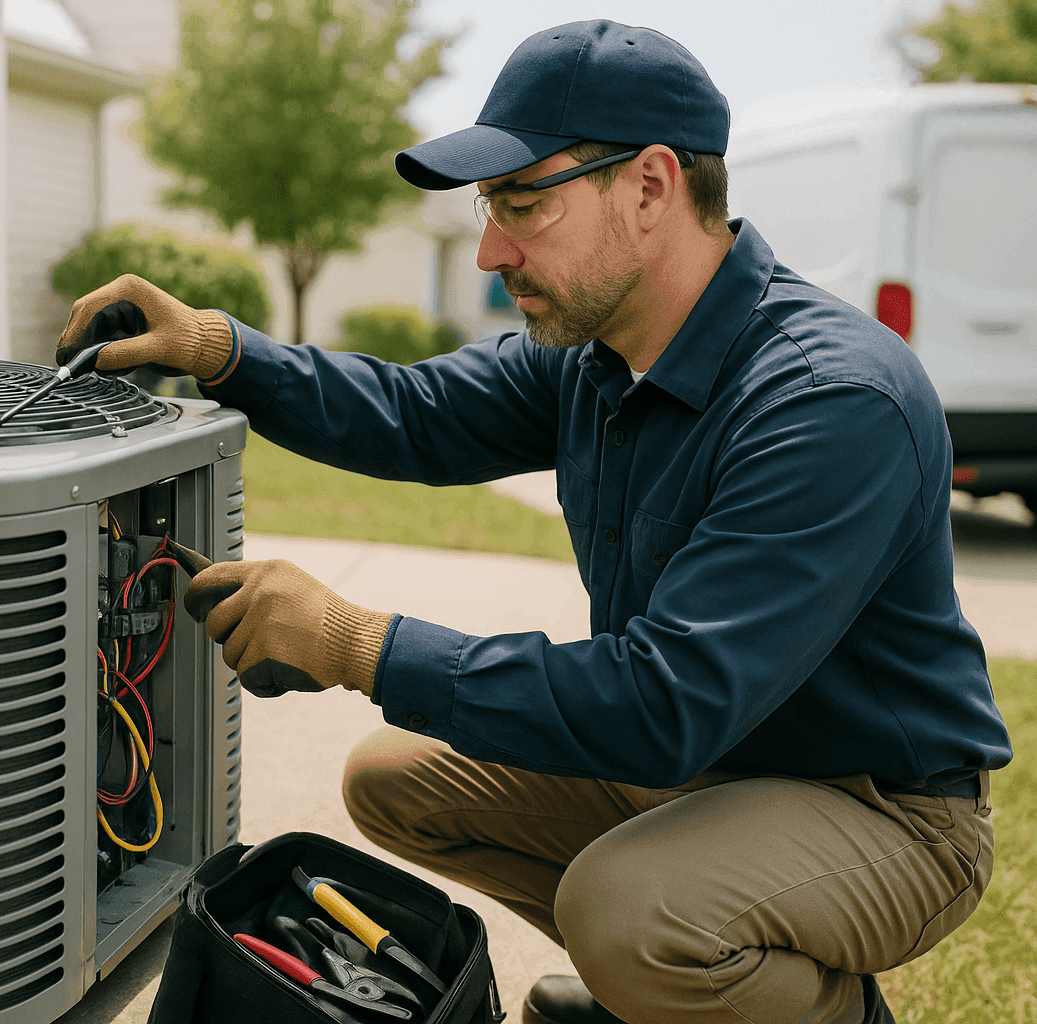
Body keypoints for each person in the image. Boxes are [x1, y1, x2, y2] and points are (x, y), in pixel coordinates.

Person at [56, 20, 1010, 1024]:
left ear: (649, 187)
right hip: (701, 768)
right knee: (395, 779)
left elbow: (664, 701)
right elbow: (413, 415)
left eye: (524, 203)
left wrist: (355, 642)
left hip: (882, 809)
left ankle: (764, 992)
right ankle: (680, 988)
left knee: (627, 909)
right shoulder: (596, 354)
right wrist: (219, 349)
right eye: (488, 205)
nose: (488, 248)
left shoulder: (827, 401)